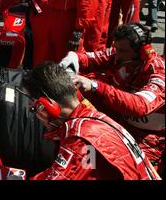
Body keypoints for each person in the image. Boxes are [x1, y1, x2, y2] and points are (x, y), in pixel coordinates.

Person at [26, 62, 160, 180]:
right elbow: (81, 169)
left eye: (34, 109)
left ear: (48, 107)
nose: (37, 115)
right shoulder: (91, 118)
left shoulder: (80, 138)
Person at [60, 23, 165, 174]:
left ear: (142, 52)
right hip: (118, 123)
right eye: (116, 48)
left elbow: (139, 106)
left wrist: (96, 86)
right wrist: (74, 57)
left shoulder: (159, 73)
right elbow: (91, 59)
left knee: (128, 172)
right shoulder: (119, 54)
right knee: (87, 155)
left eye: (122, 50)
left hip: (147, 139)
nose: (117, 54)